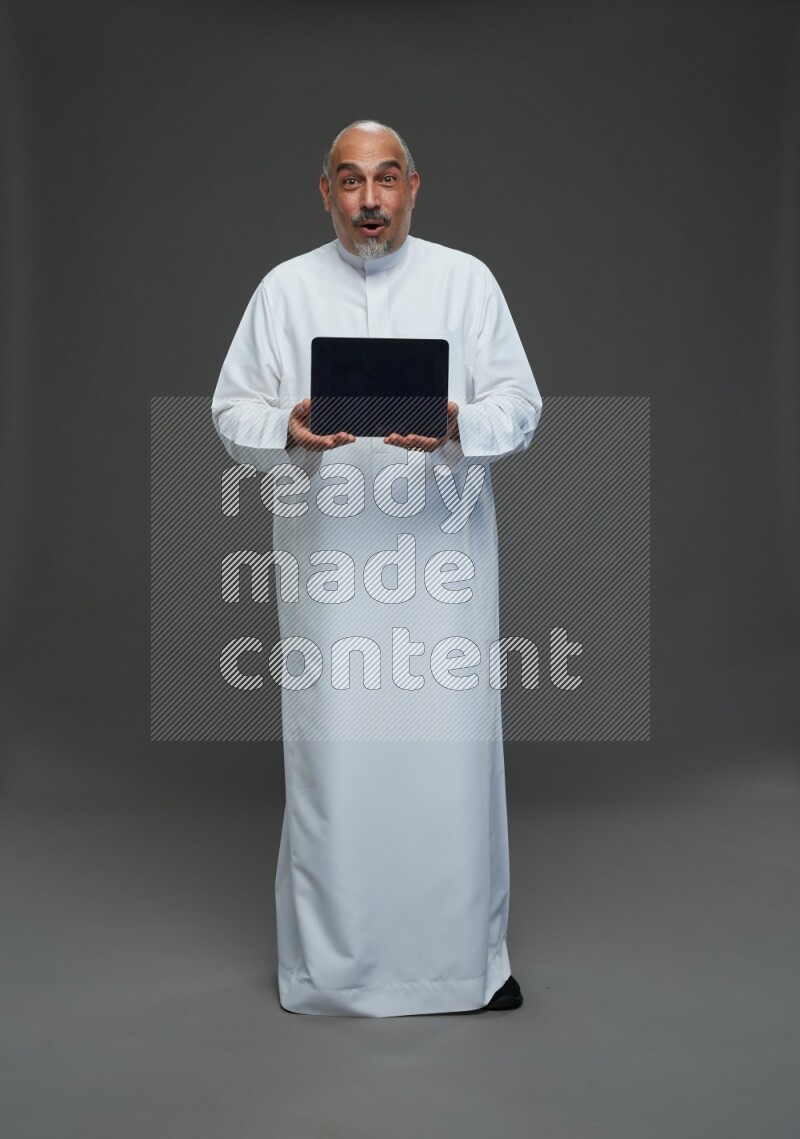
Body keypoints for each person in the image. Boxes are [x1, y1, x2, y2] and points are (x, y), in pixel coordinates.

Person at [211, 120, 543, 1017]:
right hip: (330, 579)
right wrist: (286, 427)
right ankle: (332, 971)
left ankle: (466, 967)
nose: (370, 200)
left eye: (386, 179)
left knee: (450, 764)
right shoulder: (284, 290)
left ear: (412, 188)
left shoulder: (466, 281)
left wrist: (459, 423)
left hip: (442, 574)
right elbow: (231, 410)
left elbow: (521, 403)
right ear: (326, 192)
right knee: (339, 764)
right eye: (351, 181)